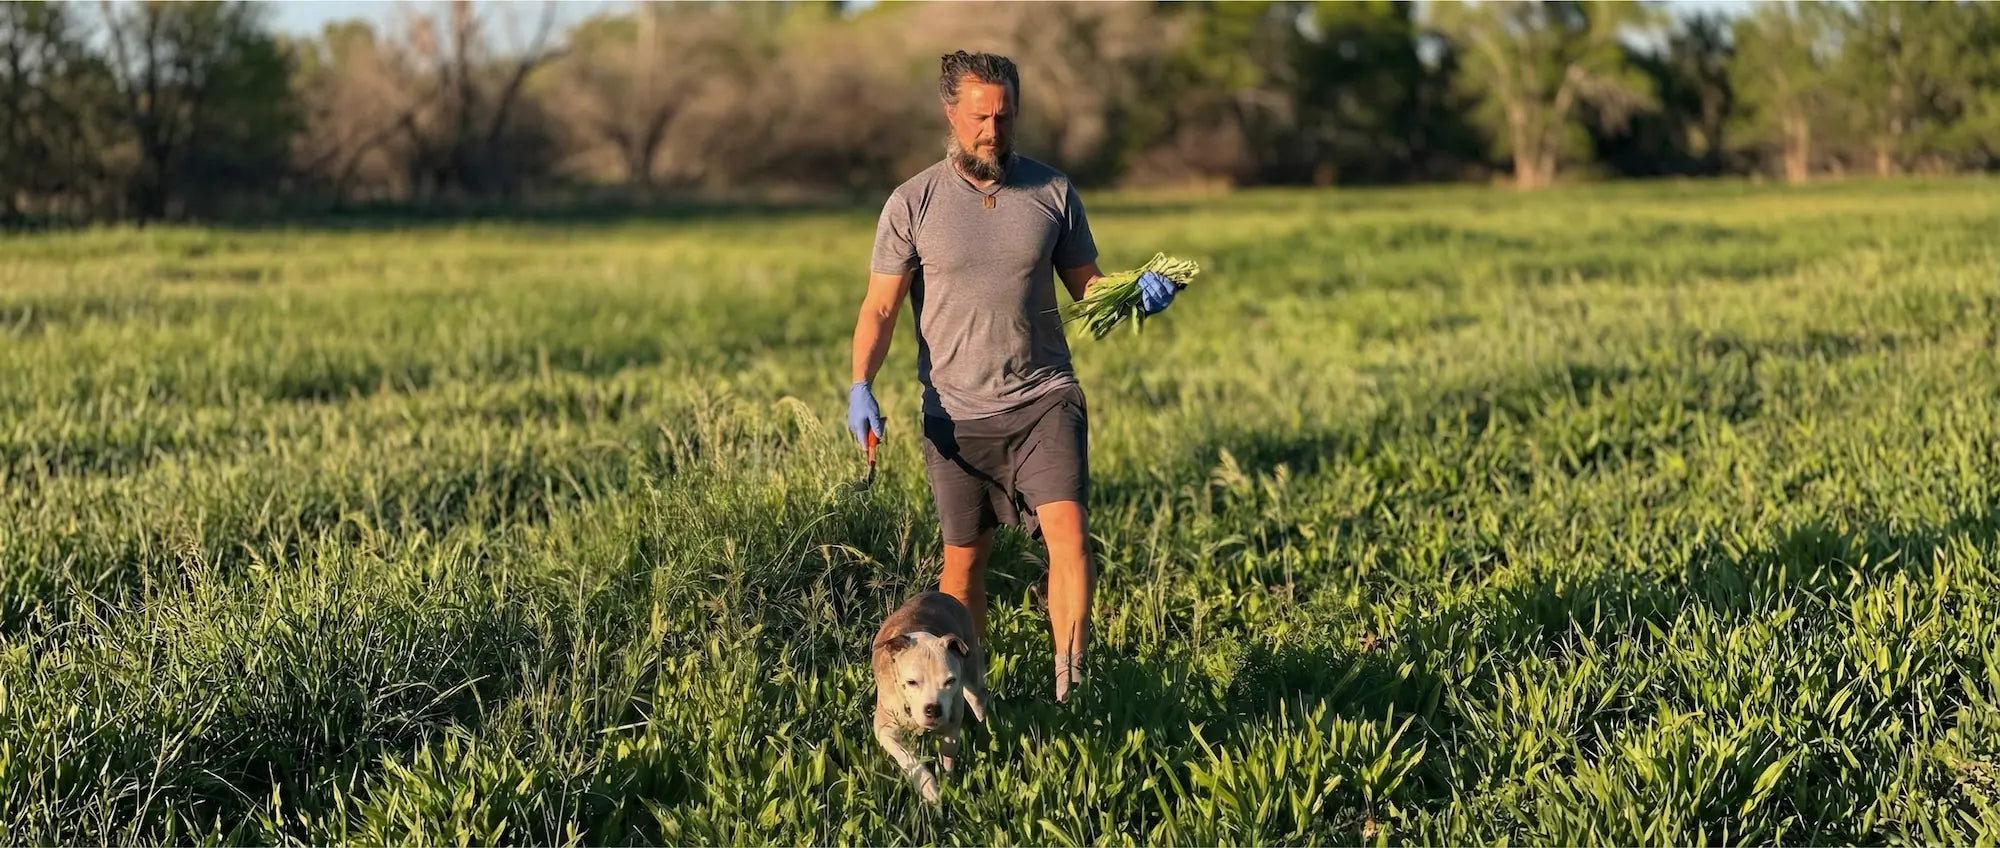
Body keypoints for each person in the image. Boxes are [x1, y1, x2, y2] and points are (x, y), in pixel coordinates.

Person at [845, 50, 1179, 703]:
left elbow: (1088, 288)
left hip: (1043, 397)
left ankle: (1072, 689)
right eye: (978, 117)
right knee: (963, 570)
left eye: (1003, 116)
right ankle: (971, 694)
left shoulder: (1053, 193)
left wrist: (1135, 293)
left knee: (1070, 537)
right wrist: (862, 383)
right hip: (956, 413)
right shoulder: (912, 203)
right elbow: (881, 306)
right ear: (951, 114)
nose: (992, 131)